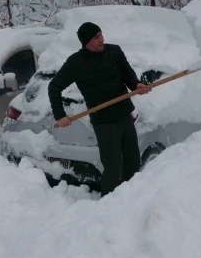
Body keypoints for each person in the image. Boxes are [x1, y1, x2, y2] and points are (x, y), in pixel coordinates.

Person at [48, 22, 151, 197]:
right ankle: (108, 206)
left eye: (101, 35)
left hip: (124, 114)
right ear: (86, 41)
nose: (102, 39)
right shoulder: (76, 62)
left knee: (133, 161)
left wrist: (136, 84)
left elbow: (127, 74)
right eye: (96, 37)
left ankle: (132, 199)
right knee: (112, 167)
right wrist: (60, 115)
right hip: (104, 121)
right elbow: (54, 87)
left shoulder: (114, 51)